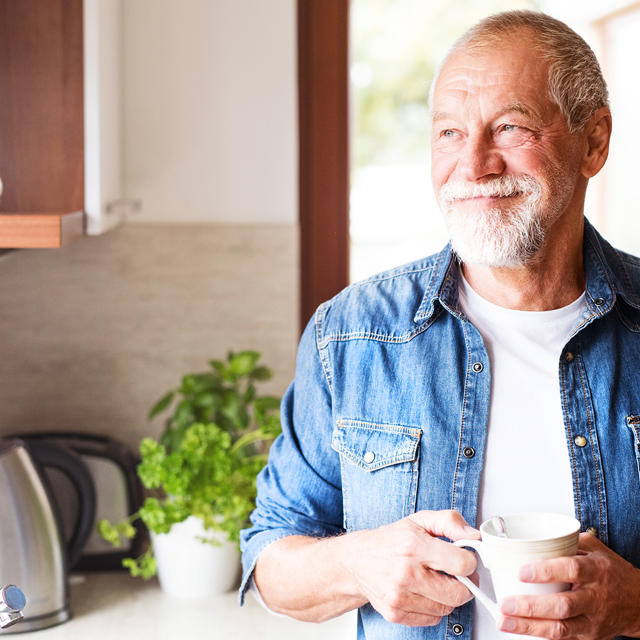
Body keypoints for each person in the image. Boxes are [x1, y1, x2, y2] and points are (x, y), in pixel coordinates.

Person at [240, 10, 640, 640]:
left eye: (509, 127)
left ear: (593, 142)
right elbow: (269, 562)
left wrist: (637, 603)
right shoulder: (349, 334)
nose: (474, 164)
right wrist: (357, 563)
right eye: (450, 132)